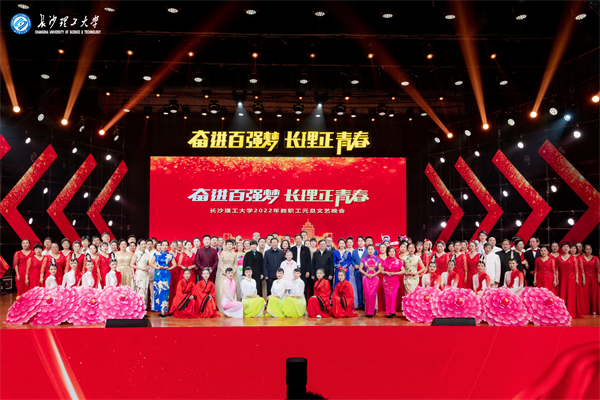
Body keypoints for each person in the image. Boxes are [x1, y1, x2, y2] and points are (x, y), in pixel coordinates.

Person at [556, 242, 583, 318]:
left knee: (571, 295)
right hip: (561, 278)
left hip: (571, 278)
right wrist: (556, 279)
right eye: (564, 247)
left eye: (567, 247)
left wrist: (577, 279)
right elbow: (556, 270)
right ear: (561, 249)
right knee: (562, 294)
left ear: (569, 249)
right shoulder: (558, 258)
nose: (566, 248)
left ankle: (571, 311)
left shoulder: (573, 258)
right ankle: (562, 312)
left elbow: (576, 269)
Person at [150, 240, 176, 317]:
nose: (164, 246)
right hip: (158, 274)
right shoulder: (156, 254)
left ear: (168, 246)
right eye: (163, 245)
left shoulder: (170, 255)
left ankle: (163, 311)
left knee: (165, 292)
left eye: (166, 245)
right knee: (157, 291)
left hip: (166, 274)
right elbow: (151, 263)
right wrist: (157, 267)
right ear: (160, 246)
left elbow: (175, 264)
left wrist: (169, 268)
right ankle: (158, 309)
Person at [216, 239, 239, 310]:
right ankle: (223, 305)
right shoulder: (222, 253)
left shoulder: (235, 254)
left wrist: (234, 270)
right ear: (225, 245)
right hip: (224, 273)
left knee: (232, 288)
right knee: (223, 288)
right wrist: (224, 271)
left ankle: (233, 304)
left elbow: (235, 263)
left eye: (230, 244)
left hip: (232, 273)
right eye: (228, 244)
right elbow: (220, 264)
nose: (229, 245)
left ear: (233, 245)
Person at [359, 244, 381, 317]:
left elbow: (380, 269)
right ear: (367, 250)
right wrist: (366, 274)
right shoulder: (363, 259)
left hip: (375, 278)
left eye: (372, 249)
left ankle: (373, 309)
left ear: (374, 250)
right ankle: (368, 311)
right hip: (366, 278)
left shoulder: (378, 259)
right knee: (367, 294)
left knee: (373, 294)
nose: (370, 251)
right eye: (369, 249)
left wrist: (374, 274)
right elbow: (360, 269)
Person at [381, 246, 402, 318]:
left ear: (395, 252)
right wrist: (386, 272)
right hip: (386, 281)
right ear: (388, 253)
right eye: (390, 251)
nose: (392, 253)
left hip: (395, 281)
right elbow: (381, 271)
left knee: (393, 296)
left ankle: (392, 310)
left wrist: (395, 273)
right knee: (388, 296)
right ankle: (388, 312)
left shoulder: (398, 261)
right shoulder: (384, 261)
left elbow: (403, 271)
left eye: (393, 251)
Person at [580, 244, 599, 314]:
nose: (588, 250)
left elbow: (598, 269)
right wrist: (583, 279)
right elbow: (582, 269)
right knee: (586, 293)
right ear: (584, 250)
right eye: (587, 249)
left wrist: (598, 278)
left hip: (594, 278)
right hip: (585, 278)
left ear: (592, 250)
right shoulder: (581, 258)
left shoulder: (596, 258)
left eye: (590, 249)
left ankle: (594, 309)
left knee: (594, 294)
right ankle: (586, 309)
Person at [132, 239, 151, 309]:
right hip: (139, 274)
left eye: (145, 244)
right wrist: (142, 268)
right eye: (142, 244)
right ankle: (139, 308)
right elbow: (131, 264)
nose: (144, 245)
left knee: (145, 290)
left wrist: (148, 267)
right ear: (139, 245)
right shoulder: (136, 254)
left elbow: (147, 264)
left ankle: (144, 308)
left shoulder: (147, 254)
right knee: (140, 291)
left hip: (146, 274)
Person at [350, 236, 366, 309]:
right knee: (359, 289)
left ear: (364, 242)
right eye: (359, 241)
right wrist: (354, 265)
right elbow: (352, 260)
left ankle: (366, 304)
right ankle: (360, 304)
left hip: (366, 272)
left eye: (361, 241)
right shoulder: (354, 251)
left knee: (366, 289)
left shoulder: (367, 250)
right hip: (357, 272)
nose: (360, 242)